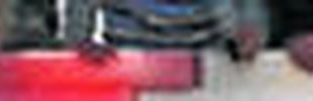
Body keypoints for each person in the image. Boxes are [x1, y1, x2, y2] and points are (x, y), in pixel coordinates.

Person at [60, 0, 266, 50]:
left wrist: (249, 37)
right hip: (131, 77)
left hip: (210, 83)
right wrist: (79, 44)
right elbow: (75, 43)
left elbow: (252, 25)